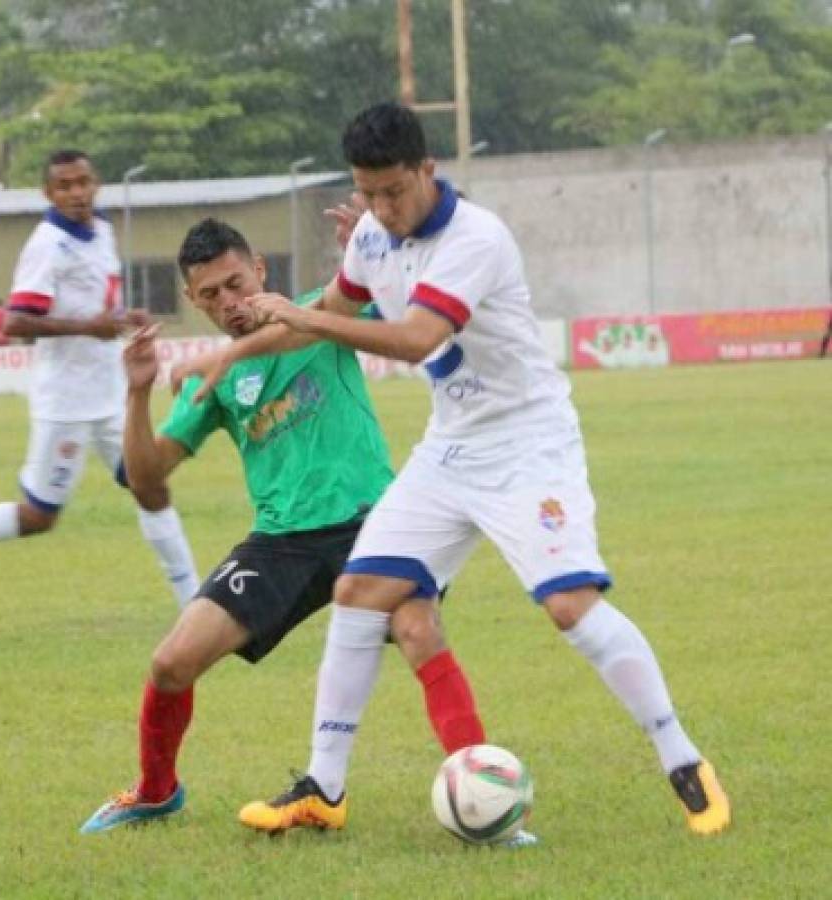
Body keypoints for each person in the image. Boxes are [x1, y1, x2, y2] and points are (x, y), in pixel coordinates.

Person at [216, 103, 728, 837]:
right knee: (359, 590)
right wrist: (228, 353)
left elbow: (415, 338)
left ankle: (682, 760)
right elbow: (333, 303)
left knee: (566, 605)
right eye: (368, 193)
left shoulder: (475, 237)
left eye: (394, 191)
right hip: (451, 446)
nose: (382, 209)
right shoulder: (370, 231)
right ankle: (322, 789)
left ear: (426, 170)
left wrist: (299, 318)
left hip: (528, 444)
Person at [79, 218, 497, 836]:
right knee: (171, 663)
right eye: (212, 295)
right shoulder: (219, 376)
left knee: (417, 627)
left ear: (261, 272)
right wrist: (137, 394)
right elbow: (147, 479)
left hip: (373, 524)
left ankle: (484, 791)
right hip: (281, 542)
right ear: (193, 302)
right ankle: (155, 790)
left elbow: (372, 293)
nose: (229, 303)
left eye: (236, 283)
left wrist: (374, 247)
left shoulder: (316, 317)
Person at [0, 149, 199, 608]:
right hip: (66, 401)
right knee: (38, 516)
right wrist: (88, 328)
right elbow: (15, 323)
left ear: (96, 184)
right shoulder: (47, 245)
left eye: (83, 182)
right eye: (65, 186)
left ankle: (193, 603)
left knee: (150, 484)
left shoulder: (103, 230)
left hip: (111, 393)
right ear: (48, 194)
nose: (76, 193)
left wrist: (119, 317)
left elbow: (94, 302)